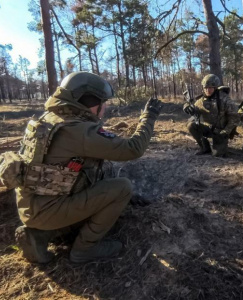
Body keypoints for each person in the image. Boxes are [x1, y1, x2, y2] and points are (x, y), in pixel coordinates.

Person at [13, 71, 163, 263]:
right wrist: (148, 118)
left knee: (99, 178)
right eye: (103, 102)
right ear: (91, 102)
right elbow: (133, 149)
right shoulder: (78, 130)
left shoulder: (48, 119)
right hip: (50, 210)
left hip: (32, 207)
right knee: (122, 188)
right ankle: (85, 249)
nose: (105, 107)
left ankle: (40, 235)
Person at [183, 74, 239, 157]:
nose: (208, 90)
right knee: (191, 125)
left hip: (221, 131)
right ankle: (204, 147)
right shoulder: (201, 100)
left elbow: (235, 117)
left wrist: (226, 131)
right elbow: (193, 108)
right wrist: (186, 106)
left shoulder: (224, 99)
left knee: (218, 154)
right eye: (206, 88)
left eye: (210, 88)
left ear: (215, 88)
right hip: (208, 128)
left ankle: (219, 145)